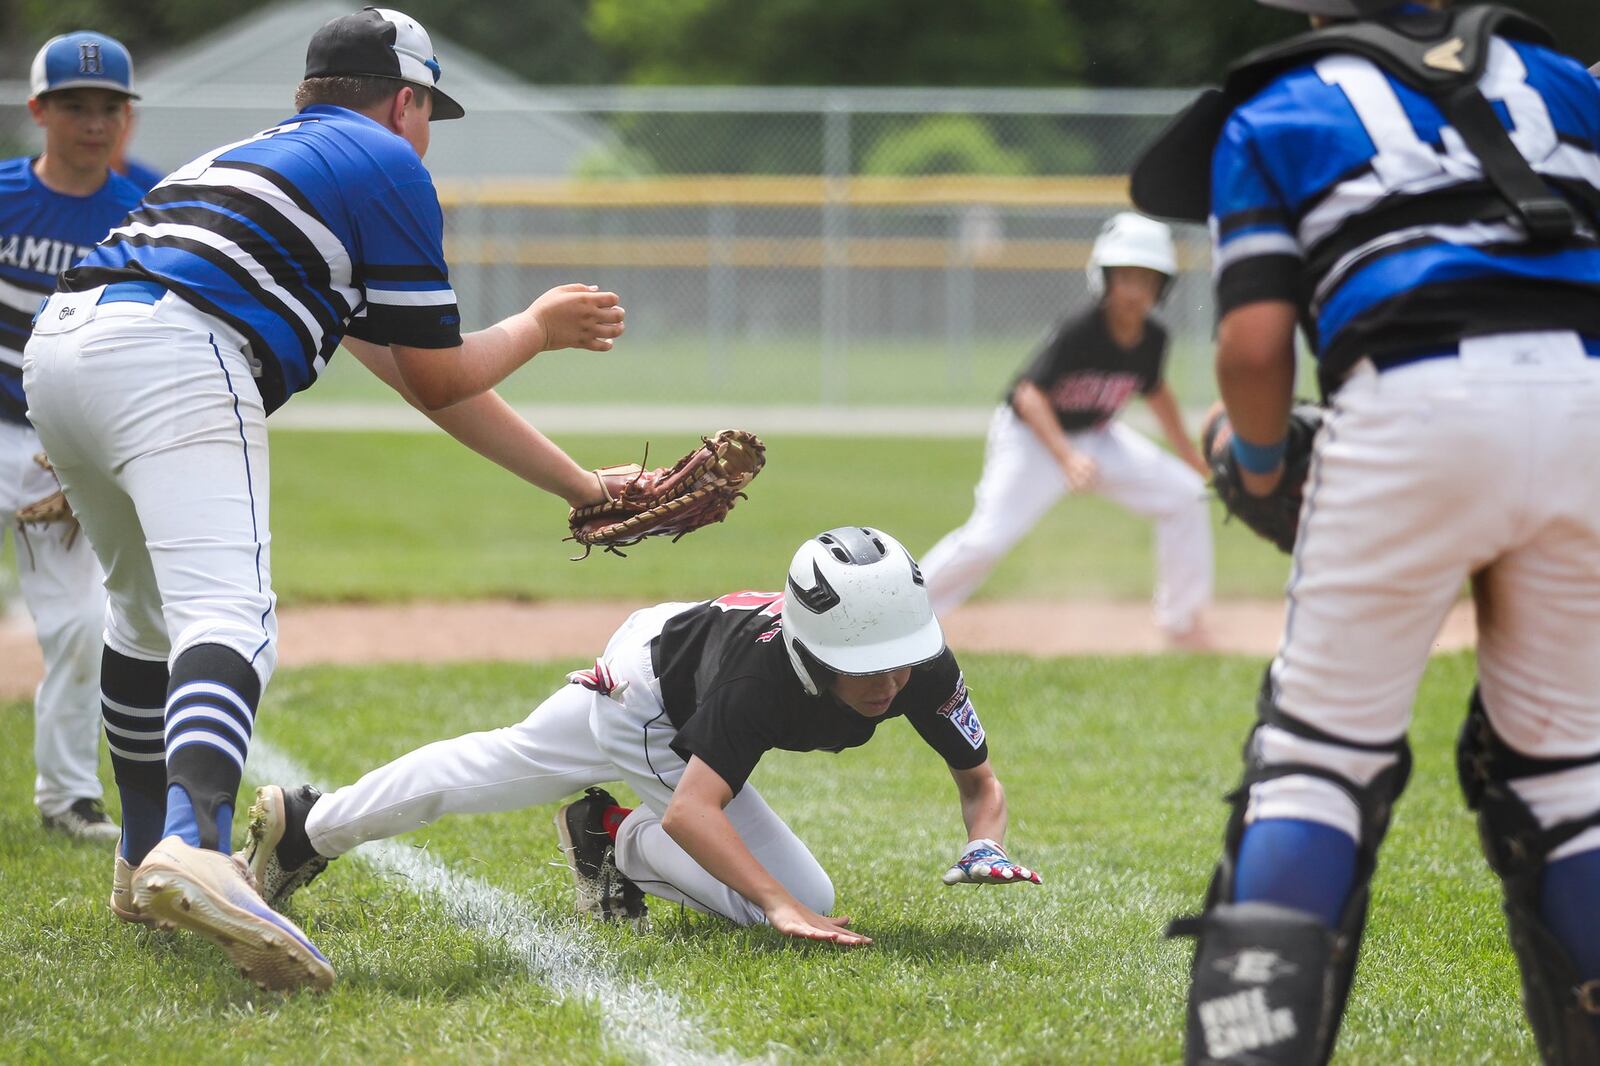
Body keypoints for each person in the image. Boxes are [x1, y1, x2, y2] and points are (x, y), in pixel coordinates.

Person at [21, 8, 626, 993]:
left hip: (66, 348)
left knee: (142, 619)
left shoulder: (258, 162)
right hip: (173, 353)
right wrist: (541, 324)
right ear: (405, 99)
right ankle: (198, 843)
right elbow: (442, 374)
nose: (426, 131)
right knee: (229, 611)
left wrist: (583, 485)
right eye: (429, 109)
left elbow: (417, 375)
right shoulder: (384, 162)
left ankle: (140, 864)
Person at [1130, 0, 1600, 1061]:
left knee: (1316, 763)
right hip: (1588, 402)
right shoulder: (1557, 76)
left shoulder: (1277, 102)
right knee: (1573, 777)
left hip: (1412, 400)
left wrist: (1256, 465)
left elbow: (1254, 352)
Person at [242, 527, 1040, 950]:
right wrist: (778, 904)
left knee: (501, 761)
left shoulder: (916, 658)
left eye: (896, 661)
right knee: (807, 901)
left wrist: (983, 846)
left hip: (664, 646)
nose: (887, 685)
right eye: (862, 666)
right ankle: (614, 837)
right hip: (652, 696)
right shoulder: (763, 678)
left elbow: (981, 782)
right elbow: (696, 811)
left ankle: (310, 826)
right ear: (808, 642)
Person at [918, 213, 1214, 649]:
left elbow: (1155, 390)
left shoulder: (1153, 338)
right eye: (1126, 278)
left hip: (1096, 436)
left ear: (1162, 287)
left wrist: (1190, 454)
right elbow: (1028, 395)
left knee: (1185, 493)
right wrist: (1066, 457)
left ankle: (1180, 619)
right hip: (1032, 437)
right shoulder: (1081, 328)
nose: (1136, 291)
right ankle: (904, 615)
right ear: (1105, 279)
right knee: (986, 539)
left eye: (1147, 280)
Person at [1, 32, 145, 843]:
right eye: (73, 106)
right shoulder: (4, 195)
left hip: (59, 449)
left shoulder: (147, 207)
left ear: (126, 117)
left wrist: (85, 451)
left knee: (82, 625)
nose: (92, 123)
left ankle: (66, 797)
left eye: (107, 108)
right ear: (38, 111)